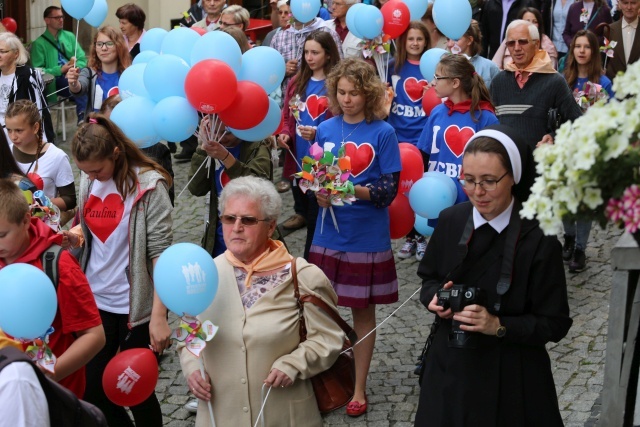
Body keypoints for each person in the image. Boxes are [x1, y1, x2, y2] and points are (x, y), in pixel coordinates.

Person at [414, 124, 572, 426]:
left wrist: (497, 325)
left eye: (489, 181)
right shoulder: (450, 220)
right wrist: (432, 298)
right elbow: (429, 278)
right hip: (451, 369)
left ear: (513, 177)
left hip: (514, 376)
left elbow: (555, 323)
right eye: (469, 180)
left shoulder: (540, 237)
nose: (477, 192)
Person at [179, 175, 344, 426]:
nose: (236, 227)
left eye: (248, 220)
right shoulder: (205, 275)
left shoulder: (302, 275)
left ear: (270, 226)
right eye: (229, 218)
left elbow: (328, 339)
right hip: (221, 415)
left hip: (285, 416)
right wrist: (192, 370)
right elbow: (190, 335)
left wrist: (294, 364)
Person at [309, 58, 401, 417]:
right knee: (322, 311)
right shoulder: (325, 128)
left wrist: (349, 188)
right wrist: (319, 193)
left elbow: (387, 191)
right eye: (342, 92)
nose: (347, 99)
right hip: (327, 232)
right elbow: (317, 177)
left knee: (362, 314)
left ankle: (359, 386)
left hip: (365, 236)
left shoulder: (383, 133)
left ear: (369, 94)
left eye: (355, 93)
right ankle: (329, 375)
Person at [70, 114, 173, 426]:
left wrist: (158, 317)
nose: (92, 177)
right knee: (91, 388)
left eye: (97, 169)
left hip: (135, 307)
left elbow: (161, 256)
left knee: (135, 388)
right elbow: (85, 229)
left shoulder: (150, 187)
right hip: (95, 300)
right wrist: (71, 236)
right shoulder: (90, 180)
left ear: (115, 153)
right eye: (85, 172)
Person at [0, 178, 105, 399]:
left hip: (54, 396)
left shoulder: (59, 264)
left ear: (26, 220)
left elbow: (94, 336)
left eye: (2, 235)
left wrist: (46, 375)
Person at [416, 54, 498, 226]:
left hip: (469, 200)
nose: (433, 82)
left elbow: (493, 165)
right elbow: (423, 154)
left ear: (455, 83)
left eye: (438, 77)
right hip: (437, 197)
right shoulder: (437, 112)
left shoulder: (486, 118)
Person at [279, 31, 341, 257]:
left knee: (317, 216)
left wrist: (318, 132)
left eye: (315, 52)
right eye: (306, 52)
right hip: (299, 160)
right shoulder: (297, 82)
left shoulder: (335, 84)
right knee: (307, 209)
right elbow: (287, 115)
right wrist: (285, 133)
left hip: (324, 162)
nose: (309, 57)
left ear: (328, 54)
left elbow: (341, 121)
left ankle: (311, 261)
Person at [560, 29, 613, 273]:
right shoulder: (563, 80)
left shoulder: (603, 83)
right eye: (577, 46)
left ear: (593, 51)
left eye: (586, 47)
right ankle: (568, 237)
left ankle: (580, 248)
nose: (581, 51)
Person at [490, 19, 582, 148]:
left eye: (523, 42)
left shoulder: (555, 82)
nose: (516, 48)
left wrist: (554, 137)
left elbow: (577, 122)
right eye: (511, 43)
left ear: (536, 44)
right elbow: (489, 124)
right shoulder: (498, 82)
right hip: (506, 163)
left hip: (540, 163)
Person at [387, 21, 431, 260]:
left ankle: (422, 237)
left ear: (426, 42)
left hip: (422, 138)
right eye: (410, 39)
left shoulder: (431, 68)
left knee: (420, 189)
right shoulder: (393, 67)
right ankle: (409, 236)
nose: (415, 43)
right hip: (397, 136)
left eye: (419, 39)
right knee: (402, 189)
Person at [99, 94, 175, 206]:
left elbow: (167, 198)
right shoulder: (97, 153)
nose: (112, 132)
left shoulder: (156, 150)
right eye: (108, 125)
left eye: (117, 126)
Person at [6, 100, 76, 214]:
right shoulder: (6, 152)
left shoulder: (57, 157)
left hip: (42, 227)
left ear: (35, 127)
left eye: (19, 130)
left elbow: (70, 200)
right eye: (9, 130)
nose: (13, 137)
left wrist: (40, 204)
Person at [30, 5, 88, 126]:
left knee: (87, 81)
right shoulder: (39, 44)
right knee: (80, 84)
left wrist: (74, 68)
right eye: (57, 17)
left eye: (62, 17)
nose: (61, 20)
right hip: (55, 82)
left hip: (74, 75)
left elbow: (82, 59)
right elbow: (38, 70)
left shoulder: (69, 36)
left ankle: (85, 116)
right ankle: (83, 116)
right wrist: (60, 70)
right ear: (47, 20)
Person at [0, 33, 55, 143]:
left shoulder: (29, 75)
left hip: (20, 137)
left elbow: (39, 111)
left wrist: (42, 145)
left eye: (2, 51)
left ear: (16, 54)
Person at [66, 26, 131, 117]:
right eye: (99, 44)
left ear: (119, 46)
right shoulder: (89, 73)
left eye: (109, 43)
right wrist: (73, 83)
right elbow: (79, 88)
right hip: (97, 128)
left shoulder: (129, 74)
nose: (104, 48)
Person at [492, 7, 559, 69]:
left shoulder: (547, 43)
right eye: (527, 21)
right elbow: (495, 64)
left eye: (535, 21)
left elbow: (551, 68)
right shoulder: (509, 38)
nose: (517, 48)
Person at [446, 20, 500, 88]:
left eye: (456, 39)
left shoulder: (489, 67)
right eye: (448, 39)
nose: (450, 44)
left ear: (469, 40)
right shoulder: (443, 66)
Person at [605, 0, 640, 79]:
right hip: (614, 86)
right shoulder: (609, 30)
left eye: (633, 3)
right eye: (625, 3)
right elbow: (604, 60)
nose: (629, 7)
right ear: (619, 4)